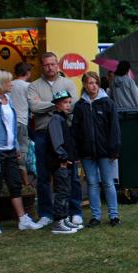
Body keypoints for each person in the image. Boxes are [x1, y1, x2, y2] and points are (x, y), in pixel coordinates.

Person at [0, 70, 43, 234]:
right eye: (8, 82)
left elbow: (12, 127)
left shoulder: (8, 100)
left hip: (9, 150)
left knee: (15, 184)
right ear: (0, 84)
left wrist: (15, 147)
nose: (11, 84)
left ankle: (22, 219)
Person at [28, 52, 82, 228]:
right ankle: (46, 213)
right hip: (43, 134)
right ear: (41, 66)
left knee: (70, 174)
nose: (49, 67)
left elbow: (72, 104)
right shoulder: (33, 86)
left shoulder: (67, 83)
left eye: (52, 64)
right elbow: (34, 107)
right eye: (46, 65)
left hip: (64, 133)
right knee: (43, 175)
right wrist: (57, 103)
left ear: (57, 65)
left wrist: (50, 104)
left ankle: (75, 212)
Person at [72, 72, 121, 228]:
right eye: (89, 83)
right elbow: (75, 130)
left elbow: (114, 128)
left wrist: (114, 150)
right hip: (87, 152)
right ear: (84, 85)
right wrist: (76, 152)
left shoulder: (108, 103)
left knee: (108, 183)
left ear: (98, 84)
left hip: (105, 151)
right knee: (92, 184)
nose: (92, 86)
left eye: (95, 83)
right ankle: (96, 216)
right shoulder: (80, 106)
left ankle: (114, 215)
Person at [46, 90, 82, 234]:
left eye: (69, 102)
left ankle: (65, 218)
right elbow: (57, 143)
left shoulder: (63, 119)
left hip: (67, 162)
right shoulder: (56, 120)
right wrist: (63, 158)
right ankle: (58, 222)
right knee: (61, 191)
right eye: (64, 103)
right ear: (57, 105)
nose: (68, 105)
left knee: (66, 191)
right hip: (60, 163)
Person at [11, 63, 33, 184]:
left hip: (10, 122)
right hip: (22, 121)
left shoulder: (9, 84)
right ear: (28, 72)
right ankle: (25, 183)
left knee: (11, 152)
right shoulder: (28, 86)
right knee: (22, 152)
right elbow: (32, 104)